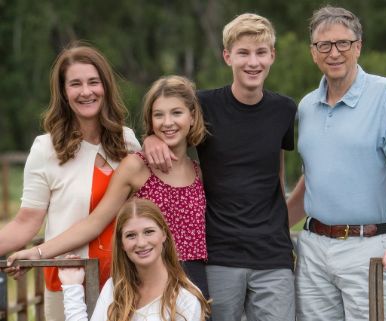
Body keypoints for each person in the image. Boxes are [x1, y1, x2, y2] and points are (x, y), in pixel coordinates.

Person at [144, 13, 297, 321]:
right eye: (243, 53)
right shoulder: (204, 105)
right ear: (228, 56)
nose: (252, 62)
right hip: (218, 253)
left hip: (273, 254)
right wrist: (150, 138)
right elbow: (169, 119)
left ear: (272, 56)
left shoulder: (285, 109)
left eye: (260, 52)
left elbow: (275, 174)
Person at [7, 75, 210, 299]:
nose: (167, 122)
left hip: (195, 284)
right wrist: (38, 252)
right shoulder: (137, 166)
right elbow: (94, 223)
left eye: (176, 113)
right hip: (149, 282)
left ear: (192, 117)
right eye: (158, 115)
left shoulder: (200, 171)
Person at [286, 6, 386, 321]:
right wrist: (273, 227)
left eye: (343, 43)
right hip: (313, 250)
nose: (334, 52)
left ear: (358, 46)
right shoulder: (307, 106)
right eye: (325, 45)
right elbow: (314, 178)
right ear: (313, 53)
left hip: (370, 248)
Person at [0, 42, 140, 321]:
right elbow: (26, 222)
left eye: (93, 82)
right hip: (69, 282)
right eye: (75, 84)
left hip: (125, 282)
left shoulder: (127, 142)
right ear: (64, 93)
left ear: (106, 87)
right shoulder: (45, 149)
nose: (86, 91)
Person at [58, 198, 210, 321]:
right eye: (131, 235)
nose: (141, 243)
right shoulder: (115, 288)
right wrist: (72, 288)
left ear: (163, 235)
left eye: (149, 232)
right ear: (122, 243)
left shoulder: (185, 298)